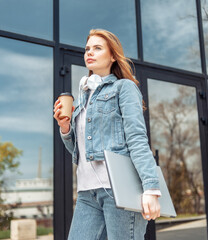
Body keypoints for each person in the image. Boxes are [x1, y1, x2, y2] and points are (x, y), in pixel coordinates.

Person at [53, 29, 161, 239]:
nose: (89, 53)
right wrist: (65, 127)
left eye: (97, 48)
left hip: (117, 189)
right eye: (87, 49)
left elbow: (137, 138)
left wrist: (151, 187)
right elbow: (80, 150)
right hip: (86, 193)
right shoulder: (85, 96)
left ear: (112, 56)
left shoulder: (124, 88)